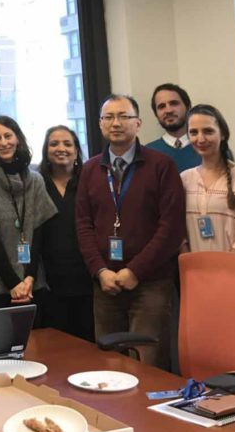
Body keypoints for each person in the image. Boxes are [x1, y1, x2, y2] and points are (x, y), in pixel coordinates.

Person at [76, 95, 185, 369]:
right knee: (109, 365)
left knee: (149, 363)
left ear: (138, 123)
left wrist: (135, 270)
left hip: (151, 283)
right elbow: (83, 225)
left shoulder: (161, 166)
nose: (116, 123)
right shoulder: (90, 169)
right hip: (105, 284)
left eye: (123, 116)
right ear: (100, 125)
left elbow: (170, 228)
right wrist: (99, 271)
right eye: (108, 117)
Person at [0, 116, 57, 318]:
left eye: (8, 136)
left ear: (18, 139)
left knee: (40, 345)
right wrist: (13, 283)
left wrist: (29, 278)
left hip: (31, 283)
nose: (4, 142)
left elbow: (39, 232)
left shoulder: (35, 179)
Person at [182, 104, 235, 261]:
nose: (200, 139)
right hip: (198, 274)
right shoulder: (184, 179)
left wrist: (223, 269)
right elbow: (179, 234)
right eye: (193, 132)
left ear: (222, 134)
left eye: (208, 131)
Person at [38, 125, 94, 341]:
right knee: (56, 345)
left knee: (87, 342)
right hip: (49, 280)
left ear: (77, 150)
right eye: (54, 144)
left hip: (86, 277)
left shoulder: (90, 181)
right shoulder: (36, 183)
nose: (61, 148)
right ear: (46, 150)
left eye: (67, 144)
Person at [145, 83, 201, 172]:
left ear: (188, 107)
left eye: (174, 103)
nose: (168, 110)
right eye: (161, 106)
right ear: (156, 114)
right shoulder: (146, 154)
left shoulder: (209, 147)